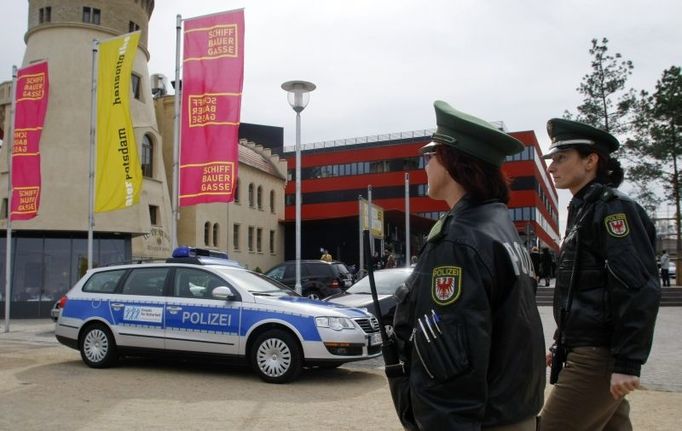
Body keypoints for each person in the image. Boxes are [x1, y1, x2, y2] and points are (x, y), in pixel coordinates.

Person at [389, 101, 545, 430]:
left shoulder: (459, 240)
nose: (426, 165)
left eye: (430, 155)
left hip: (482, 421)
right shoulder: (501, 227)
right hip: (514, 411)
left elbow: (449, 363)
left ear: (450, 161)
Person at [540, 118, 661, 430]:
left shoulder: (612, 210)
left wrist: (627, 362)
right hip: (587, 348)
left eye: (561, 158)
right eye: (552, 160)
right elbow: (582, 290)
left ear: (591, 160)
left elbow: (637, 287)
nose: (552, 167)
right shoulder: (584, 208)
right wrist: (561, 341)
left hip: (599, 356)